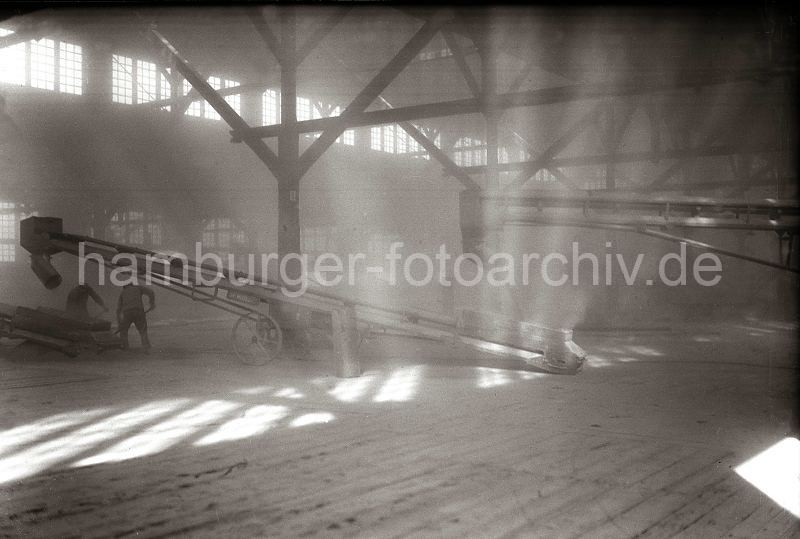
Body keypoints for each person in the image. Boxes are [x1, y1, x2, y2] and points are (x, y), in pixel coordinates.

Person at [116, 280, 155, 351]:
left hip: (127, 312)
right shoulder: (138, 288)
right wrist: (152, 303)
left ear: (124, 287)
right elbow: (151, 292)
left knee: (123, 331)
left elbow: (118, 310)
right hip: (138, 311)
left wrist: (120, 324)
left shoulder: (122, 293)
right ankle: (146, 347)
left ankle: (125, 348)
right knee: (142, 330)